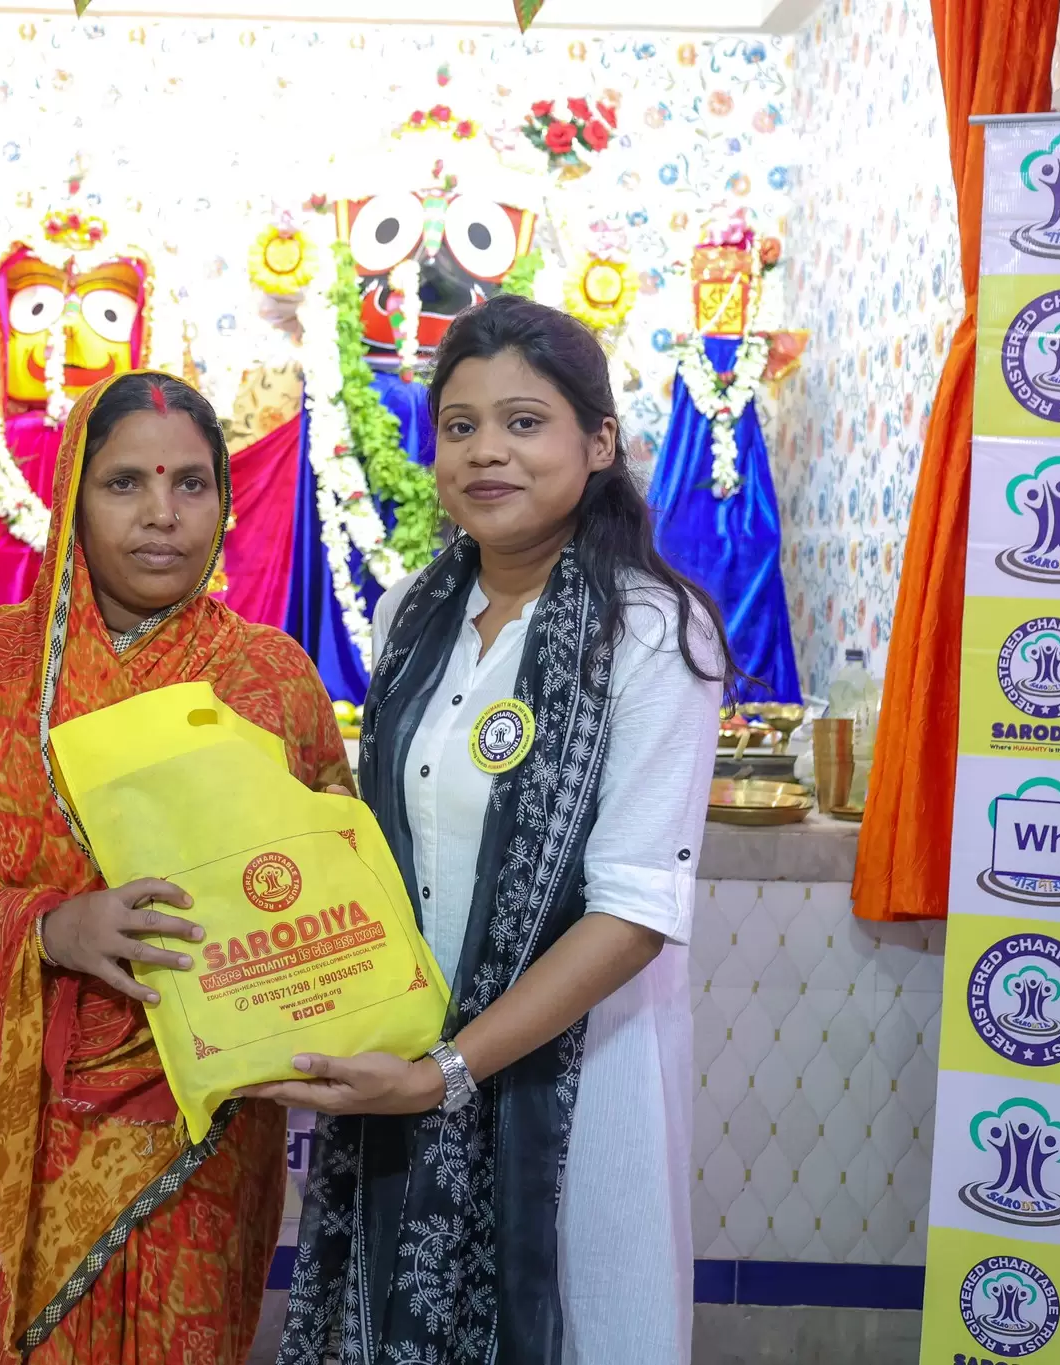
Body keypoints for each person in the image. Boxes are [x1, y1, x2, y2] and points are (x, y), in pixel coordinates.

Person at [259, 293, 731, 1365]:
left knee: (577, 1323)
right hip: (404, 1057)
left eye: (524, 422)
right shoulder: (410, 612)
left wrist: (447, 1072)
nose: (486, 452)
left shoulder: (651, 632)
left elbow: (632, 914)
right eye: (460, 426)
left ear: (598, 442)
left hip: (577, 1081)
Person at [0, 371, 351, 1362]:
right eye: (125, 483)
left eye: (191, 484)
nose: (162, 515)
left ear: (224, 500)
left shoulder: (272, 680)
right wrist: (50, 928)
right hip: (28, 1129)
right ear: (72, 500)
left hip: (204, 1133)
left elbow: (333, 881)